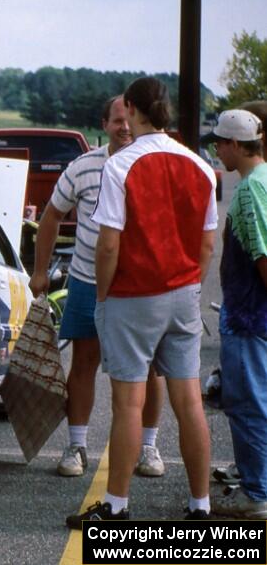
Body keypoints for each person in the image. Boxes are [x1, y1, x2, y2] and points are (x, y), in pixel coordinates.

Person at [66, 77, 217, 527]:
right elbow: (207, 244)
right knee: (188, 400)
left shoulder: (121, 166)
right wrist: (191, 284)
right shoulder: (200, 166)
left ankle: (115, 505)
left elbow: (108, 244)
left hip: (134, 293)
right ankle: (200, 505)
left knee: (128, 402)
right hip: (183, 291)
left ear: (130, 108)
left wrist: (103, 292)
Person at [31, 96, 166, 478]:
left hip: (139, 286)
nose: (124, 127)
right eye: (117, 121)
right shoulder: (84, 167)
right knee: (84, 362)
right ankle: (76, 447)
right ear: (104, 124)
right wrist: (41, 270)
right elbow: (52, 215)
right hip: (88, 279)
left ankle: (150, 448)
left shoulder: (153, 163)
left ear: (140, 121)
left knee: (150, 368)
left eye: (129, 120)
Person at [202, 109, 267, 519]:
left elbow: (262, 255)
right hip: (254, 317)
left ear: (236, 146)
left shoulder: (248, 192)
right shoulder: (262, 180)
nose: (217, 150)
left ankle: (257, 492)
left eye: (219, 143)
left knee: (247, 405)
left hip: (249, 317)